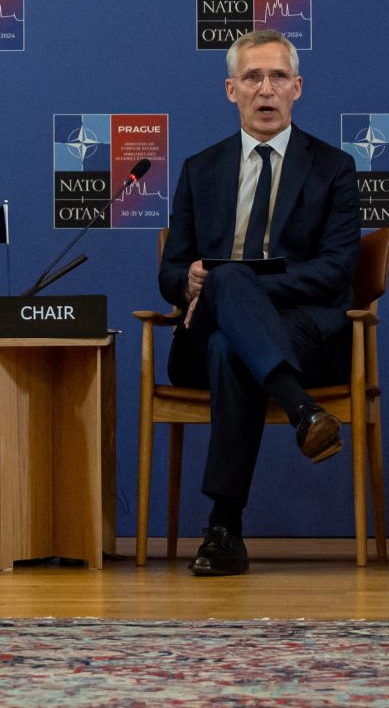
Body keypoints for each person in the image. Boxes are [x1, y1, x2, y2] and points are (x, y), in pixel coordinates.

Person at [152, 29, 361, 577]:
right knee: (223, 305)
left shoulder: (334, 168)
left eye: (277, 77)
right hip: (198, 343)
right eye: (252, 78)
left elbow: (337, 270)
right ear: (231, 90)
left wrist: (235, 285)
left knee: (232, 343)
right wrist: (189, 280)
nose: (265, 89)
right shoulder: (200, 169)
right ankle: (302, 410)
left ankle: (223, 529)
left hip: (302, 334)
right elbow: (171, 271)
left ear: (297, 87)